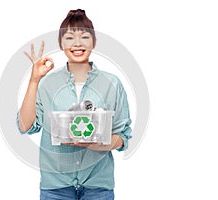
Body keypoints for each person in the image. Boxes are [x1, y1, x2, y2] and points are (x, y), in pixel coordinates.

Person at [17, 9, 132, 200]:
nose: (77, 43)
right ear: (61, 44)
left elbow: (122, 137)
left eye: (84, 37)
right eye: (70, 37)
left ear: (94, 42)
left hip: (98, 186)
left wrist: (97, 144)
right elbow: (25, 126)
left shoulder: (112, 84)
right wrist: (34, 80)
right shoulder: (48, 84)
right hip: (55, 187)